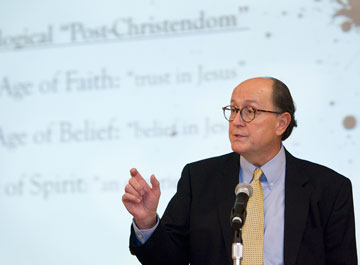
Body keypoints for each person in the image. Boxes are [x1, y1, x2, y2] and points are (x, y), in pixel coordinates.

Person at [122, 77, 357, 265]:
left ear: (281, 123)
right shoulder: (199, 179)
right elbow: (168, 260)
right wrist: (147, 221)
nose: (236, 121)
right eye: (233, 110)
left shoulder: (329, 189)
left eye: (250, 111)